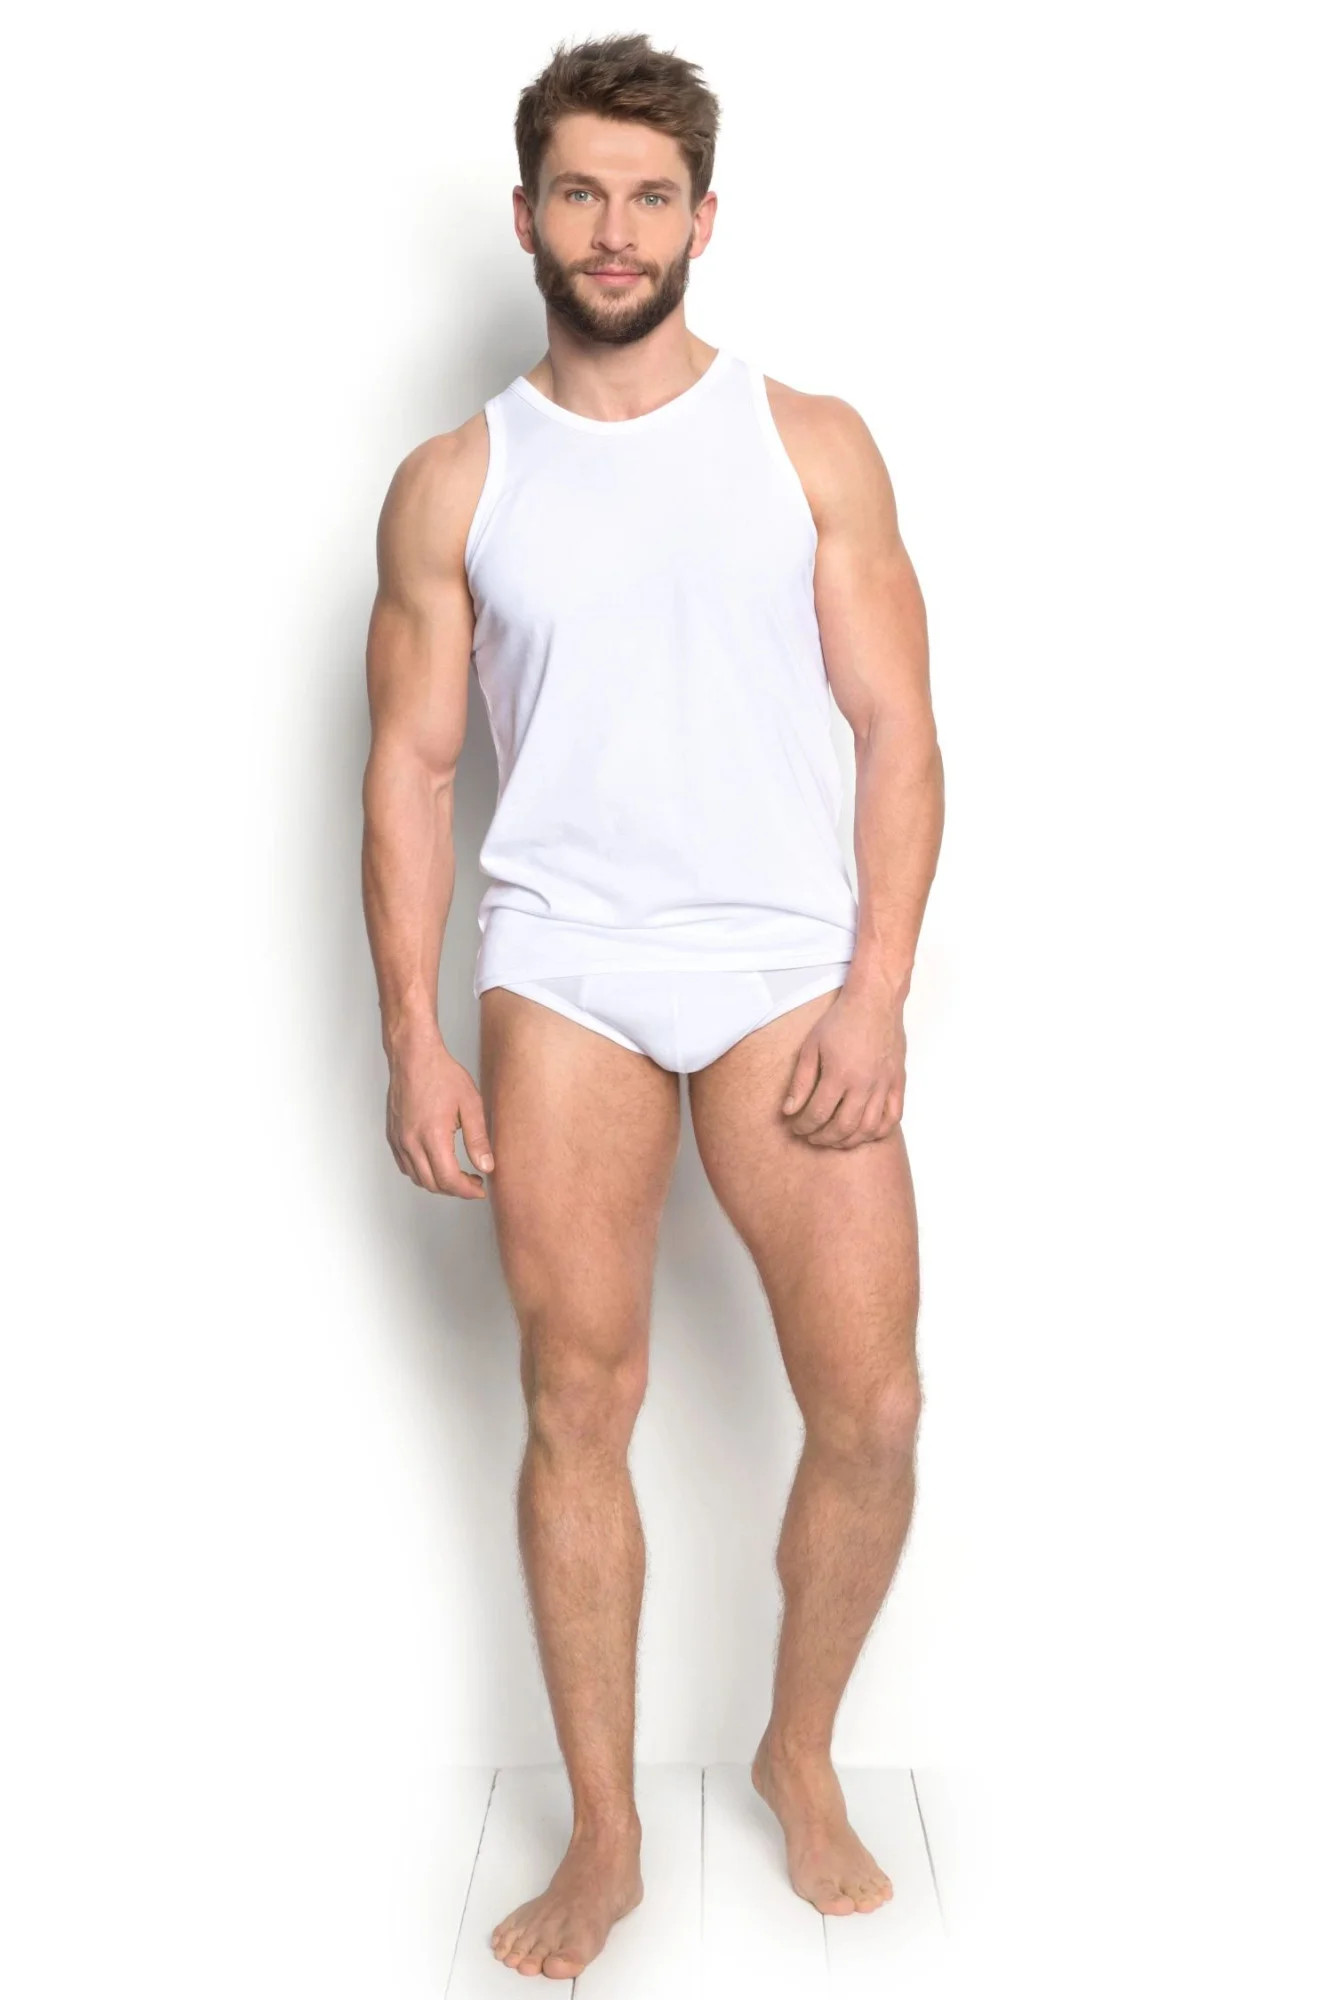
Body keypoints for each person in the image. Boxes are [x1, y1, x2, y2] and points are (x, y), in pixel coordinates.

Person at [360, 31, 945, 1984]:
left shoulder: (809, 441)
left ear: (703, 219)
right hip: (567, 972)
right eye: (580, 193)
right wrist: (413, 1034)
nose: (614, 229)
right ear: (527, 217)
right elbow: (408, 770)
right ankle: (605, 1835)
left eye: (649, 196)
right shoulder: (456, 481)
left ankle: (797, 1749)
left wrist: (874, 991)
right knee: (578, 1400)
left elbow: (900, 734)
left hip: (784, 970)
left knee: (872, 1406)